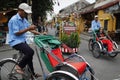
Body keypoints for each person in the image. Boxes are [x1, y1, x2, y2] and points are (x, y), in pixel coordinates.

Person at [8, 3, 41, 77]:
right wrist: (29, 28)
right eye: (25, 12)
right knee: (30, 52)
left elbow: (30, 29)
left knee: (29, 57)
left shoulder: (24, 19)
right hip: (15, 41)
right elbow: (17, 33)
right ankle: (19, 67)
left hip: (22, 41)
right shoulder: (14, 20)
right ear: (20, 10)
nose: (26, 14)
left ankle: (32, 74)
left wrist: (40, 34)